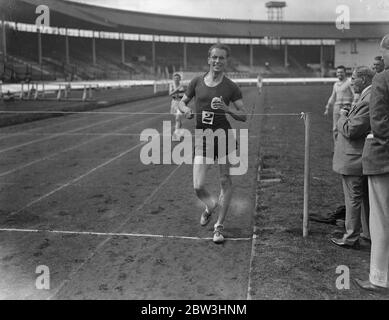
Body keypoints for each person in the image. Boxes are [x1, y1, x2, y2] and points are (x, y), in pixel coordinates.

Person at [178, 43, 248, 244]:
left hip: (224, 136)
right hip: (203, 137)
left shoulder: (231, 86)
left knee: (225, 182)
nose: (218, 61)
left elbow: (243, 116)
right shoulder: (196, 82)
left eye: (222, 58)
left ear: (227, 61)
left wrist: (226, 108)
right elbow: (182, 102)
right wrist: (186, 111)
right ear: (209, 59)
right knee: (198, 186)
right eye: (214, 57)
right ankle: (210, 206)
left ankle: (219, 227)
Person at [355, 34, 389, 292]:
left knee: (380, 221)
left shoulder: (382, 79)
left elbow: (379, 125)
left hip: (383, 159)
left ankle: (379, 278)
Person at [330, 66, 375, 249]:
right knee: (363, 199)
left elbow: (351, 130)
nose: (351, 81)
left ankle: (350, 238)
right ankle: (367, 233)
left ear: (364, 79)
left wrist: (342, 117)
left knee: (353, 199)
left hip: (354, 159)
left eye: (354, 78)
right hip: (359, 158)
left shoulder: (368, 98)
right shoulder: (366, 96)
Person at [324, 66, 355, 140]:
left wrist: (354, 105)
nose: (339, 74)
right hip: (337, 108)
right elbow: (333, 96)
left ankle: (344, 148)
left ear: (345, 73)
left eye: (341, 72)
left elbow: (354, 94)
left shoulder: (349, 82)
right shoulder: (335, 84)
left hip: (346, 108)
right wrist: (327, 107)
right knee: (335, 128)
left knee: (345, 128)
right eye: (338, 72)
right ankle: (336, 149)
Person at [169, 73, 186, 139]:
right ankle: (179, 130)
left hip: (180, 103)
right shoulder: (171, 85)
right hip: (174, 103)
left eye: (177, 78)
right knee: (178, 120)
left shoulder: (182, 86)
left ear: (180, 79)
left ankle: (175, 134)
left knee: (177, 118)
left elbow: (185, 94)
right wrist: (177, 90)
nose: (176, 79)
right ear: (173, 79)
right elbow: (170, 94)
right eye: (175, 78)